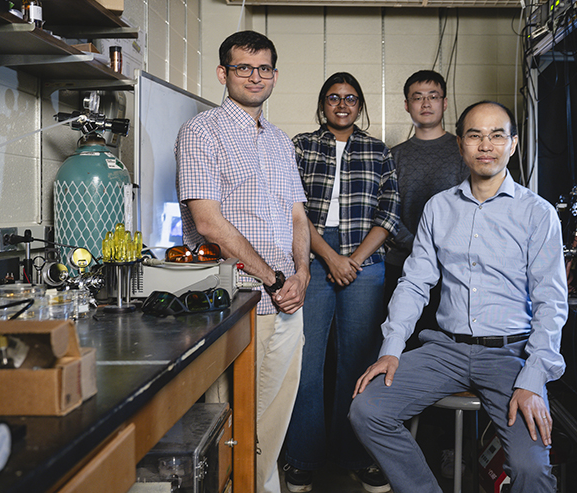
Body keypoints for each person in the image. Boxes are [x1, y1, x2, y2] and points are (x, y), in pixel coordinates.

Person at [350, 101, 568, 493]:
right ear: (461, 145)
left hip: (510, 356)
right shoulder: (440, 208)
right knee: (367, 411)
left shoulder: (538, 214)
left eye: (496, 135)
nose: (486, 145)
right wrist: (392, 349)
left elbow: (551, 302)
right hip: (445, 350)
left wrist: (533, 377)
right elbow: (415, 284)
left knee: (530, 469)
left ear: (513, 144)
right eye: (474, 135)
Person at [175, 30, 311, 493]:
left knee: (271, 425)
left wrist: (303, 273)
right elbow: (209, 223)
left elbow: (297, 215)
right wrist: (273, 277)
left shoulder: (279, 140)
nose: (255, 77)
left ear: (274, 75)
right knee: (232, 422)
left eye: (264, 68)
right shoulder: (201, 131)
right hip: (235, 306)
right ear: (223, 73)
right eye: (243, 68)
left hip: (288, 304)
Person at [282, 72, 399, 493]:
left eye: (350, 98)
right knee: (307, 365)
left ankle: (357, 456)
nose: (342, 104)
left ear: (360, 105)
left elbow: (389, 213)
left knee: (358, 364)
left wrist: (354, 260)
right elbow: (293, 209)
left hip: (364, 259)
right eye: (333, 98)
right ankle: (303, 459)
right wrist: (330, 258)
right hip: (310, 258)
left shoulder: (378, 150)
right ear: (322, 105)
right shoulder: (300, 146)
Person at [385, 70, 468, 344]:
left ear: (444, 103)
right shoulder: (394, 156)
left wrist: (443, 248)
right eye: (417, 97)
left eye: (433, 96)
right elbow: (386, 213)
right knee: (402, 343)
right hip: (403, 265)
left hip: (454, 267)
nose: (426, 104)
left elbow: (471, 207)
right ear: (407, 105)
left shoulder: (464, 152)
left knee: (447, 347)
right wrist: (419, 247)